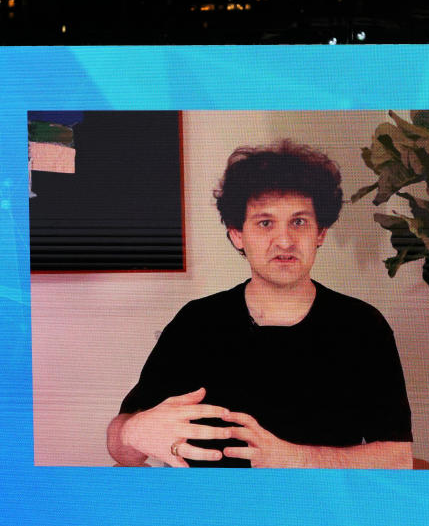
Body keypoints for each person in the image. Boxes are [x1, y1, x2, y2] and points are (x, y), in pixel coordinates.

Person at [106, 141, 413, 468]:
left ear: (320, 232)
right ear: (237, 234)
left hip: (315, 512)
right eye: (265, 223)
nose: (284, 241)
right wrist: (132, 431)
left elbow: (398, 458)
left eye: (299, 222)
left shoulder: (363, 327)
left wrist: (294, 457)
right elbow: (119, 443)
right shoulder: (197, 322)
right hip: (213, 512)